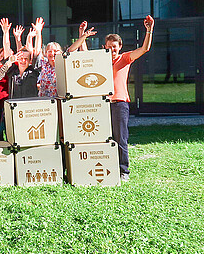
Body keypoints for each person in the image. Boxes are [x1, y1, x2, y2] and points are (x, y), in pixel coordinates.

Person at [106, 15, 155, 182]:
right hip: (102, 105)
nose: (112, 50)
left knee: (120, 138)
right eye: (109, 47)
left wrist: (149, 30)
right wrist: (82, 35)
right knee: (106, 138)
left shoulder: (125, 58)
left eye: (114, 47)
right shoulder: (100, 60)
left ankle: (123, 171)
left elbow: (144, 49)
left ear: (119, 47)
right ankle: (109, 168)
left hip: (119, 103)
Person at [37, 21, 95, 97]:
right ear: (46, 53)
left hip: (61, 99)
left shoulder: (64, 61)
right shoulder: (43, 63)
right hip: (45, 101)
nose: (52, 53)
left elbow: (72, 49)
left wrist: (83, 36)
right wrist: (38, 32)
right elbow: (37, 50)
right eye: (49, 51)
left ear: (60, 52)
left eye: (55, 51)